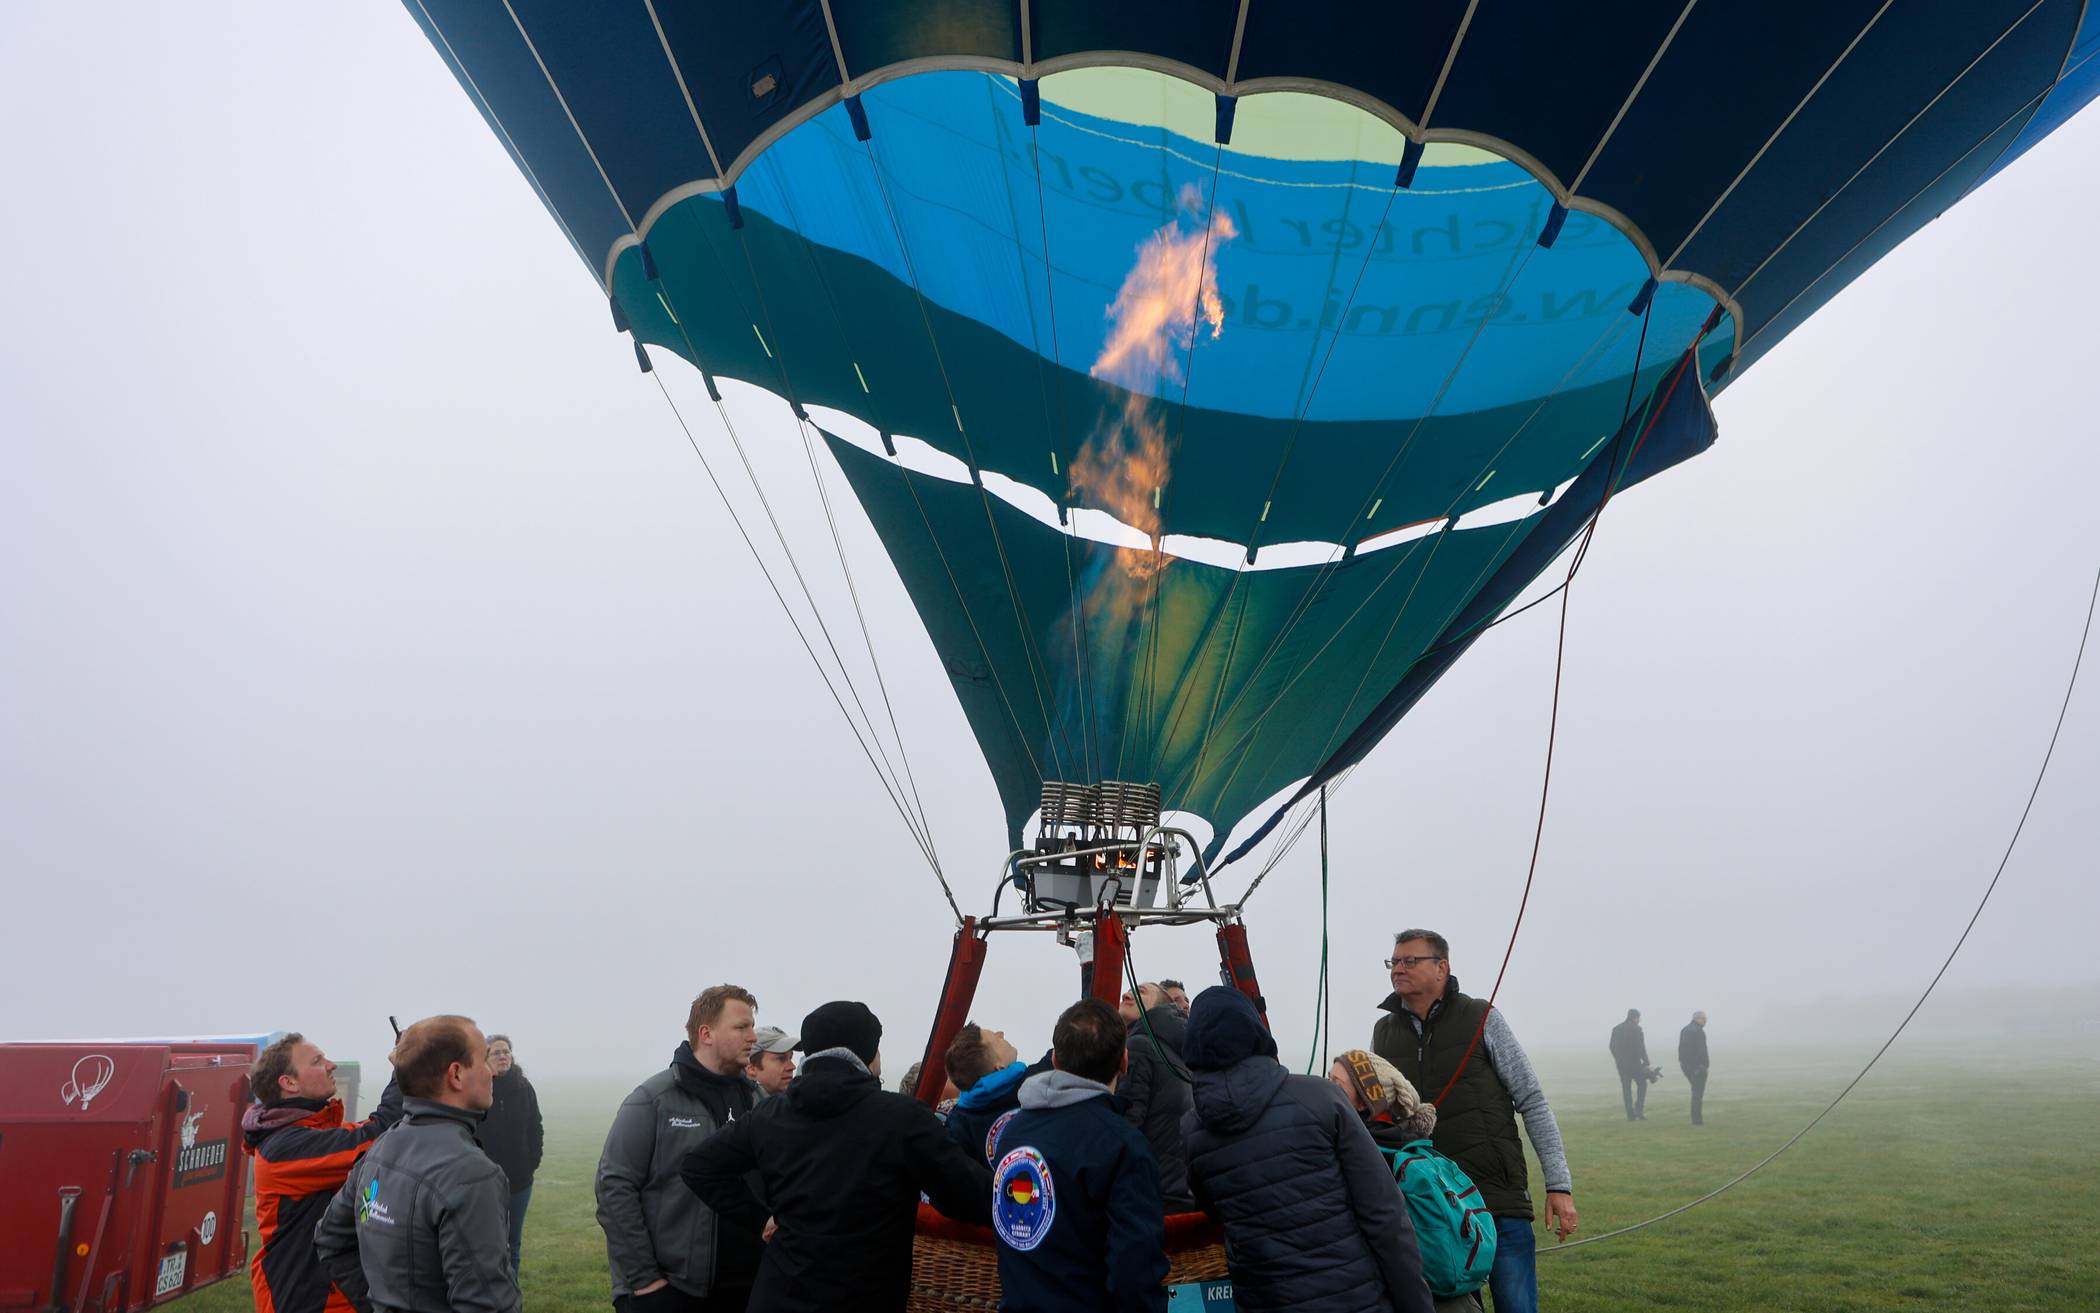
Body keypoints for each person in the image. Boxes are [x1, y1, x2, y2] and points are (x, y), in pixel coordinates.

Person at [682, 1000, 994, 1313]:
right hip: (863, 1297)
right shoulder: (903, 1118)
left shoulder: (769, 1115)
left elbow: (699, 1167)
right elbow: (966, 1195)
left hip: (778, 1297)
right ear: (869, 1053)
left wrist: (761, 1217)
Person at [1182, 986, 1437, 1313]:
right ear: (1255, 1032)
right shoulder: (1319, 1097)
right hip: (1354, 1298)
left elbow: (1215, 1210)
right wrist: (1417, 1304)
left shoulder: (1193, 1130)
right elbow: (1384, 1214)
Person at [1371, 930, 1575, 1313]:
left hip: (1496, 1198)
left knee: (1516, 1306)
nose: (1398, 969)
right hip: (1432, 1206)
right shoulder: (1384, 1033)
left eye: (1409, 961)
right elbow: (1379, 1116)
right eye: (1394, 962)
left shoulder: (1481, 1017)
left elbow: (1531, 1100)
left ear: (1441, 967)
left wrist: (1558, 1185)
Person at [315, 1015, 518, 1313]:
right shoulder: (471, 1174)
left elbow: (330, 1238)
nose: (492, 1072)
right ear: (456, 1074)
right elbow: (487, 1305)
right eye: (484, 1060)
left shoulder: (382, 1146)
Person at [991, 998, 1169, 1312]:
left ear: (1056, 1060)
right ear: (1124, 1062)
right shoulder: (1122, 1145)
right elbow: (1135, 1267)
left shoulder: (1013, 1133)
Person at [596, 985, 766, 1313]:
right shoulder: (653, 1100)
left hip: (748, 1287)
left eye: (752, 1027)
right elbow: (614, 1188)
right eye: (742, 1027)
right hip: (673, 1289)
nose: (753, 1037)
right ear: (707, 1033)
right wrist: (645, 1280)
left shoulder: (757, 1100)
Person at [240, 1031, 405, 1313]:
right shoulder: (285, 1147)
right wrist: (405, 1068)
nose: (331, 1065)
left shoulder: (309, 1134)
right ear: (289, 1082)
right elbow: (378, 1137)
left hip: (330, 1291)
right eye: (318, 1061)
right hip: (306, 1296)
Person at [1330, 1052, 1484, 1313]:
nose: (1327, 1089)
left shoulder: (1366, 1158)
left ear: (1366, 1102)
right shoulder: (1409, 1148)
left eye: (1337, 1085)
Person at [1118, 982, 1194, 1208]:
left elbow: (1127, 1123)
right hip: (1181, 1188)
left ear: (1160, 1006)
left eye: (1140, 991)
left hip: (1148, 1192)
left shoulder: (1139, 1045)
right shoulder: (1178, 1053)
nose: (1126, 993)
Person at [480, 1034, 543, 1276]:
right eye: (497, 1052)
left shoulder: (523, 1087)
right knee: (487, 1241)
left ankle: (510, 1294)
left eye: (506, 1051)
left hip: (520, 1181)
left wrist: (531, 1162)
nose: (503, 1056)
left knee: (513, 1243)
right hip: (484, 1181)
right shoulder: (479, 1088)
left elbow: (535, 1126)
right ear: (485, 1057)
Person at [944, 1022, 1044, 1165]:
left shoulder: (958, 1124)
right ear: (999, 1066)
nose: (1001, 1034)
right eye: (996, 1040)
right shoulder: (1039, 1079)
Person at [1609, 1010, 1651, 1121]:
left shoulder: (1616, 1029)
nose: (1639, 1020)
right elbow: (1641, 1047)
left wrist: (1618, 1059)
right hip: (1635, 1064)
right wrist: (1646, 1062)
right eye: (1638, 1018)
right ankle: (1639, 1109)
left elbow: (1612, 1046)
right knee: (1642, 1084)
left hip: (1621, 1065)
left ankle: (1630, 1114)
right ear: (1635, 1018)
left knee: (1626, 1089)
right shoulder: (1637, 1029)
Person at [747, 1026, 798, 1098]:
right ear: (752, 1069)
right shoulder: (737, 1105)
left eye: (790, 1058)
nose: (792, 1067)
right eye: (781, 1059)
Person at [1679, 1011, 1711, 1125]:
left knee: (1695, 1091)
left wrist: (1684, 1064)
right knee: (1698, 1093)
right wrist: (1704, 1066)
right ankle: (1697, 1120)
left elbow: (1682, 1050)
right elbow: (1702, 1051)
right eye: (1703, 1019)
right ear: (1697, 1019)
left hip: (1686, 1066)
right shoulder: (1698, 1031)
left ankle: (1696, 1118)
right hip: (1697, 1067)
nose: (1705, 1021)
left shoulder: (1684, 1030)